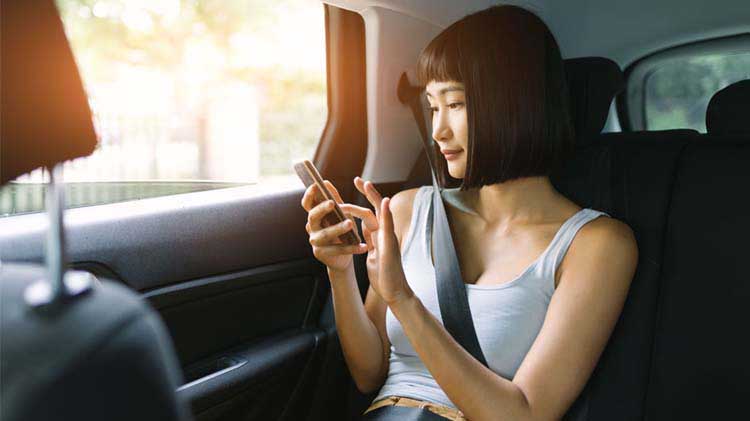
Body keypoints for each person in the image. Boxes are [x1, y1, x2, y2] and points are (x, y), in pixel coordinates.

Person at [300, 5, 638, 421]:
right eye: (432, 107)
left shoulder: (596, 245)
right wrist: (339, 272)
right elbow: (369, 374)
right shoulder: (409, 209)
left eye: (455, 104)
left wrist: (403, 298)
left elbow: (524, 416)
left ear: (516, 103)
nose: (438, 130)